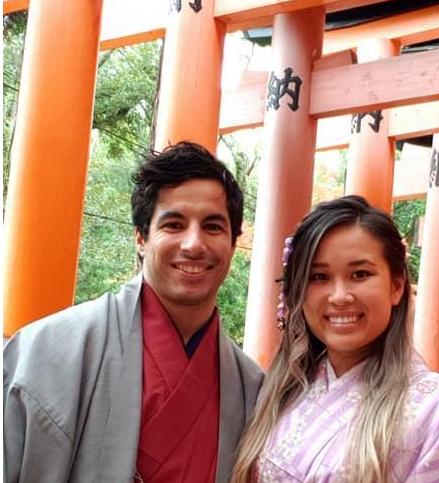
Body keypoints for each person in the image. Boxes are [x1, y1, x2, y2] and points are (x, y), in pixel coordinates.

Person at [4, 141, 263, 482]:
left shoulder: (251, 387)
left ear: (233, 243)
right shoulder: (46, 352)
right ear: (141, 238)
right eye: (174, 225)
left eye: (213, 226)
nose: (193, 244)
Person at [231, 195, 439, 482]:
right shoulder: (286, 389)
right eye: (319, 277)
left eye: (360, 274)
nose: (340, 296)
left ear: (396, 286)